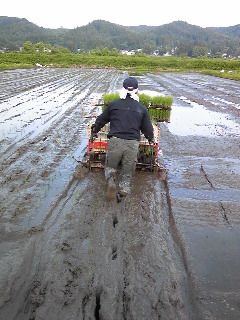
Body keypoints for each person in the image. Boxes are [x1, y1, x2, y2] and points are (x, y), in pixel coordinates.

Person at [91, 77, 154, 200]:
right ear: (136, 90)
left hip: (115, 141)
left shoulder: (114, 105)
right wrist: (150, 139)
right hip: (132, 144)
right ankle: (124, 189)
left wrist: (95, 130)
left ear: (123, 89)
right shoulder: (141, 108)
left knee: (111, 166)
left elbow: (101, 119)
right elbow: (147, 128)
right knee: (128, 169)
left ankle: (111, 183)